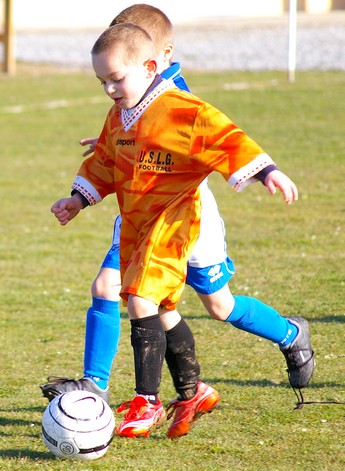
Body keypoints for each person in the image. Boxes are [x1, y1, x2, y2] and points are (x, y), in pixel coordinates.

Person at [48, 21, 315, 441]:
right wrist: (77, 200)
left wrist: (267, 171)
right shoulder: (120, 115)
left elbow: (226, 137)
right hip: (137, 222)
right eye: (102, 82)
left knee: (152, 300)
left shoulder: (180, 109)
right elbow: (104, 162)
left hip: (176, 221)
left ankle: (147, 401)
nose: (109, 90)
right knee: (161, 306)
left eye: (116, 79)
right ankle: (189, 391)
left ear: (153, 63)